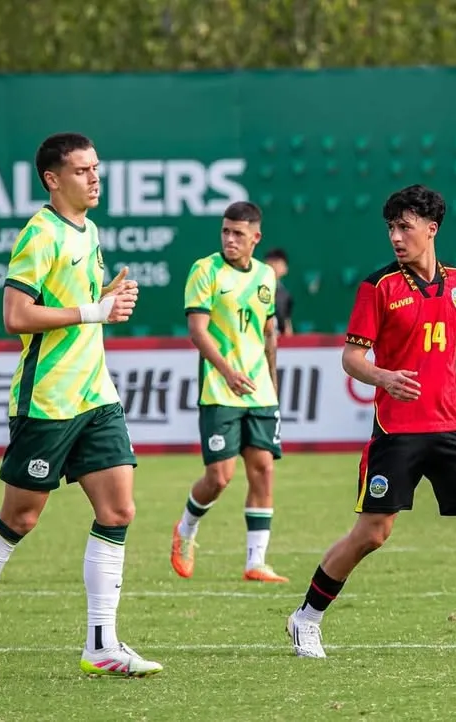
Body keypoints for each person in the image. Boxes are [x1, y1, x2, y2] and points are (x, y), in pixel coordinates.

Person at [285, 184, 456, 659]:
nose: (395, 236)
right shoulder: (378, 287)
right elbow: (351, 358)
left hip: (455, 425)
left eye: (405, 226)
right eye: (391, 227)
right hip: (399, 430)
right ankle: (306, 617)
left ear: (431, 229)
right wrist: (383, 376)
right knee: (373, 532)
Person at [0, 132, 163, 680]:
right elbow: (16, 315)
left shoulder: (89, 230)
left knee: (118, 511)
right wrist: (93, 311)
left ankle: (101, 644)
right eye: (82, 170)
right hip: (48, 400)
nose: (94, 178)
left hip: (96, 395)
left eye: (96, 168)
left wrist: (110, 299)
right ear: (52, 179)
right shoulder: (39, 234)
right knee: (22, 516)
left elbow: (81, 304)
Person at [170, 201, 289, 584]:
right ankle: (186, 529)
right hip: (220, 389)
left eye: (238, 233)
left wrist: (271, 380)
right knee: (219, 477)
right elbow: (197, 331)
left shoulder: (266, 277)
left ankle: (256, 561)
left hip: (260, 392)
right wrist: (229, 372)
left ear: (256, 238)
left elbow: (269, 332)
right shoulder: (206, 270)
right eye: (225, 231)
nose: (230, 239)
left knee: (263, 471)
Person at [263, 248, 294, 336]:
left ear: (285, 269)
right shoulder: (256, 288)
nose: (274, 266)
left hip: (278, 342)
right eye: (271, 262)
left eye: (278, 262)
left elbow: (287, 322)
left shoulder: (285, 295)